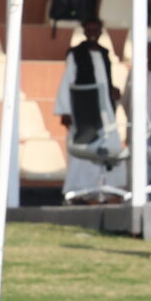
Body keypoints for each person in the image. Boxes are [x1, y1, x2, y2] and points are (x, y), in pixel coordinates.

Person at [55, 19, 124, 204]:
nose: (93, 33)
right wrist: (66, 111)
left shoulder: (104, 53)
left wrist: (112, 91)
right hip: (83, 110)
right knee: (83, 149)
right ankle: (77, 191)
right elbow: (67, 81)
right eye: (90, 29)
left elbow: (104, 80)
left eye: (97, 29)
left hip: (105, 109)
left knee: (110, 145)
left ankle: (106, 191)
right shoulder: (76, 54)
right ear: (84, 31)